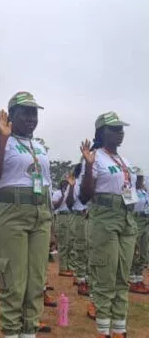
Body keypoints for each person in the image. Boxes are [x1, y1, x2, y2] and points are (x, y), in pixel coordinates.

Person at [0, 91, 53, 338]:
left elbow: (47, 186)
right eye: (25, 112)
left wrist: (50, 223)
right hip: (11, 213)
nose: (31, 118)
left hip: (40, 214)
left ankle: (29, 332)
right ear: (11, 115)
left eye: (34, 113)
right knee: (13, 283)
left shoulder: (40, 147)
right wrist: (4, 138)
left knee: (35, 283)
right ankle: (12, 332)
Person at [80, 111, 138, 338]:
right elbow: (85, 196)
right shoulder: (95, 157)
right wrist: (87, 166)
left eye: (121, 129)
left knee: (122, 278)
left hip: (126, 218)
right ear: (101, 132)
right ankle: (104, 330)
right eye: (114, 129)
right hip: (104, 217)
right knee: (106, 277)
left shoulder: (125, 162)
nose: (120, 133)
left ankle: (120, 330)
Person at [66, 163, 90, 296]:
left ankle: (86, 279)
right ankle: (81, 282)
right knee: (81, 249)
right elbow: (69, 203)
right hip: (79, 217)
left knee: (89, 250)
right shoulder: (76, 183)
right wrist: (71, 186)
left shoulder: (90, 182)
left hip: (90, 217)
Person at [129, 168, 149, 294]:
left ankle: (139, 278)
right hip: (134, 220)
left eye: (141, 177)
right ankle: (131, 279)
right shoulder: (128, 190)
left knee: (143, 251)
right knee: (133, 251)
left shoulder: (144, 191)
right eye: (138, 177)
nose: (139, 179)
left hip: (145, 221)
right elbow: (127, 208)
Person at [53, 178, 76, 277]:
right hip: (62, 217)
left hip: (70, 216)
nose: (65, 186)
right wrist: (62, 195)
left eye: (67, 184)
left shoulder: (71, 193)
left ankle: (70, 267)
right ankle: (63, 268)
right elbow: (55, 205)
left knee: (71, 243)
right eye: (64, 184)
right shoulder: (57, 193)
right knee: (63, 244)